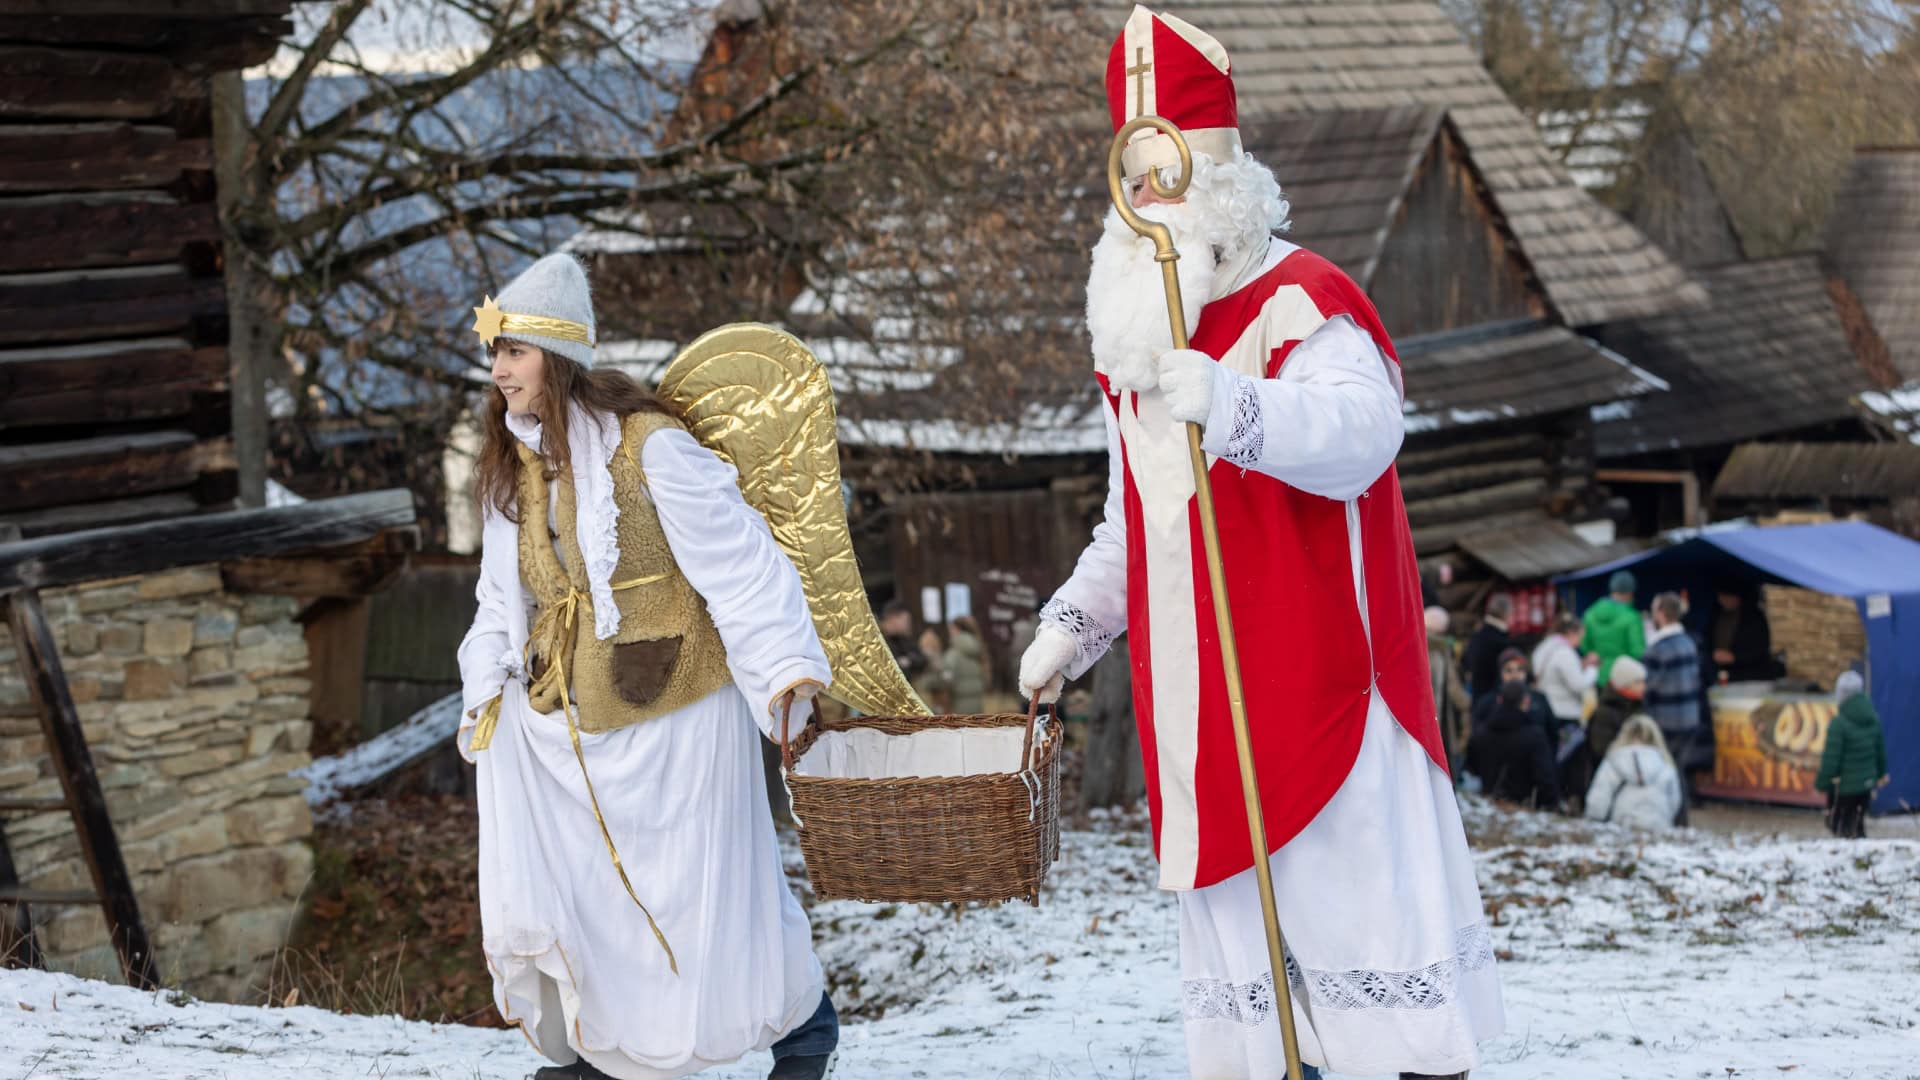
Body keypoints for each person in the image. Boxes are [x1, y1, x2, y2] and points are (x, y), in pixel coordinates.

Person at [1015, 11, 1501, 1078]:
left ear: (1219, 174)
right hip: (1200, 714)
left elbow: (1364, 436)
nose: (1149, 201)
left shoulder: (1303, 299)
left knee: (1368, 966)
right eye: (1131, 180)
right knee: (1259, 1004)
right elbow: (1139, 521)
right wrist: (1072, 628)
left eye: (1168, 175)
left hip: (1324, 688)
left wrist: (1235, 404)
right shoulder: (1136, 344)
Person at [454, 253, 838, 1080]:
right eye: (495, 355)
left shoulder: (650, 447)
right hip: (576, 713)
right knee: (594, 892)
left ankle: (806, 1030)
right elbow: (498, 597)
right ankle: (607, 1047)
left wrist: (783, 674)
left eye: (513, 353)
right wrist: (485, 683)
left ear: (557, 357)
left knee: (710, 890)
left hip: (681, 709)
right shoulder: (514, 468)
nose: (498, 372)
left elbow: (741, 565)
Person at [1641, 592, 1705, 818]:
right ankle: (1680, 817)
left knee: (1667, 770)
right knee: (1678, 769)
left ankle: (1673, 817)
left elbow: (1648, 686)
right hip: (1689, 718)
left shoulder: (1657, 649)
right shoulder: (1688, 642)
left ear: (1661, 613)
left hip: (1665, 719)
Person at [1816, 670, 1890, 839]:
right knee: (1857, 826)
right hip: (1866, 786)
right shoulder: (1872, 718)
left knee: (1839, 828)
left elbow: (1831, 760)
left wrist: (1822, 783)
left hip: (1845, 788)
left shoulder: (1838, 724)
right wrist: (1881, 774)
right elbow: (1880, 750)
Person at [1465, 680, 1559, 810]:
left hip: (1486, 804)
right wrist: (1551, 803)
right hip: (1522, 807)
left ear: (1499, 700)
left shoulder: (1481, 733)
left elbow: (1471, 767)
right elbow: (1544, 776)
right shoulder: (1534, 737)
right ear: (1526, 701)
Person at [1583, 714, 1684, 831]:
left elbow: (1599, 797)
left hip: (1621, 824)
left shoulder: (1614, 760)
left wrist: (1593, 820)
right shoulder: (1665, 763)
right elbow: (1674, 801)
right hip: (1659, 824)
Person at [1427, 607, 1472, 774]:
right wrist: (1468, 703)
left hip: (1422, 720)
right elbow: (1454, 689)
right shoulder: (1441, 651)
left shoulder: (1415, 646)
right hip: (1437, 719)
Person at [1582, 571, 1644, 685]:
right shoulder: (1632, 617)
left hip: (1598, 677)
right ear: (1630, 593)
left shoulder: (1590, 614)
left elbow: (1584, 646)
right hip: (1624, 680)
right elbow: (1638, 652)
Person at [1587, 656, 1647, 763]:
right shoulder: (1605, 713)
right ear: (1625, 684)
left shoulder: (1639, 706)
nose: (1644, 686)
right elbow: (1601, 750)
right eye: (1638, 682)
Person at [1710, 587, 1775, 684]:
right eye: (1721, 596)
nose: (1723, 600)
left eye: (1727, 596)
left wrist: (1734, 657)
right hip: (1722, 675)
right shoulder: (1715, 614)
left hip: (1749, 677)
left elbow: (1761, 648)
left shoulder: (1754, 617)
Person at [1462, 594, 1512, 707]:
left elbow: (1465, 662)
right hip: (1493, 701)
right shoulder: (1499, 639)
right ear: (1506, 614)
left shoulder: (1478, 634)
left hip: (1476, 697)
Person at [940, 614, 989, 714]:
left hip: (958, 706)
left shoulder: (952, 654)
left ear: (957, 629)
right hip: (977, 704)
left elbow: (947, 679)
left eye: (952, 629)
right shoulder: (979, 651)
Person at [880, 600, 929, 685]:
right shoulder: (878, 640)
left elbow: (922, 659)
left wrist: (909, 661)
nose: (908, 625)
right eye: (906, 621)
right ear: (893, 618)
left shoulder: (901, 638)